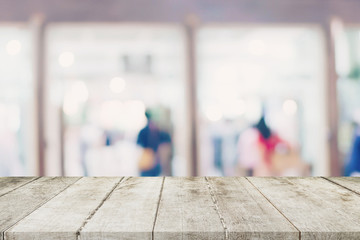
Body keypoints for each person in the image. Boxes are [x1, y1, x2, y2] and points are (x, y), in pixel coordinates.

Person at [136, 110, 172, 176]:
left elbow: (138, 144)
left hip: (149, 159)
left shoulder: (143, 131)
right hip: (155, 159)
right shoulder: (160, 131)